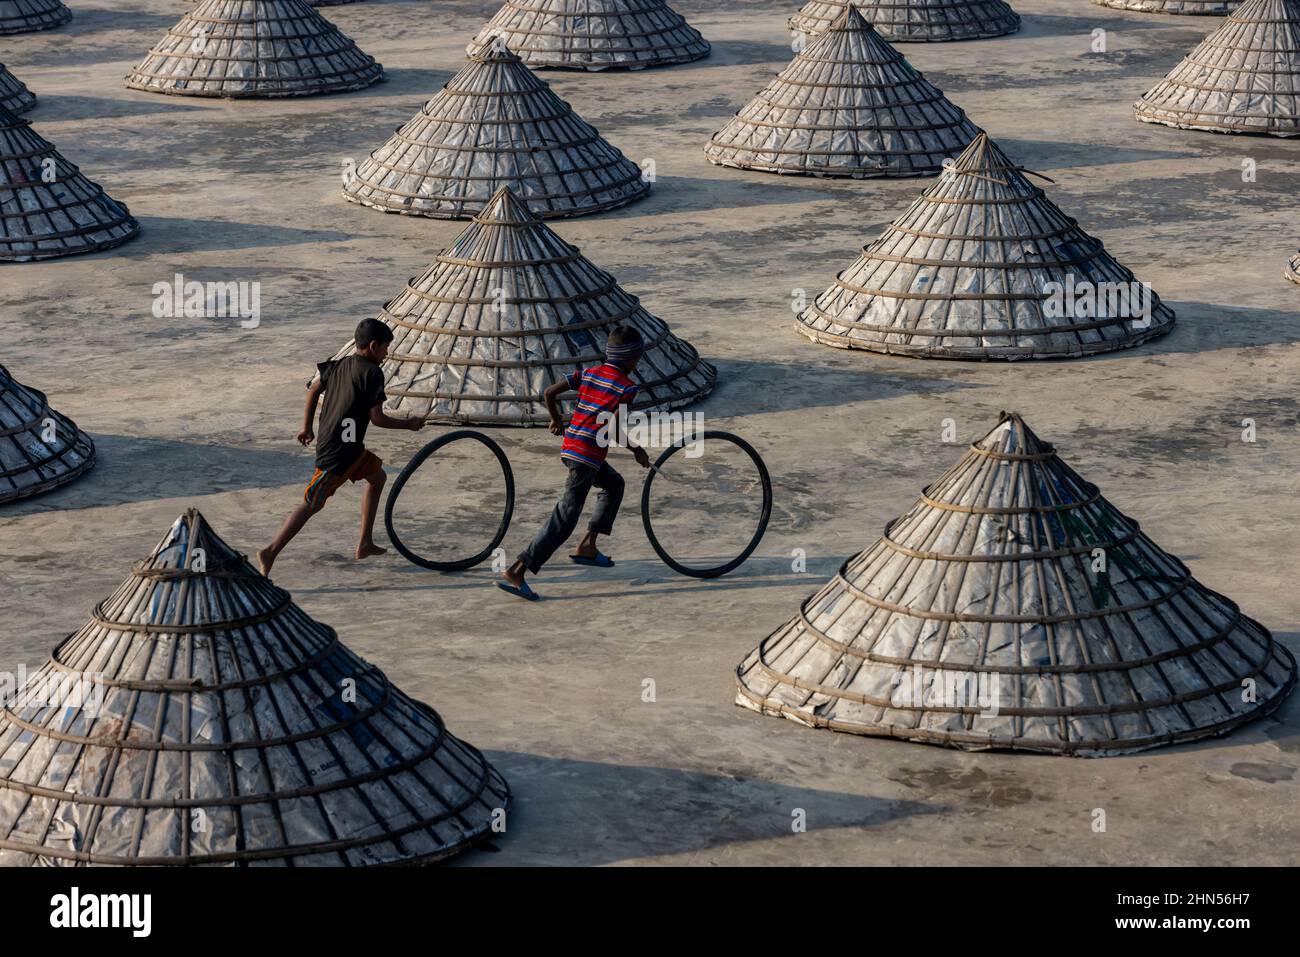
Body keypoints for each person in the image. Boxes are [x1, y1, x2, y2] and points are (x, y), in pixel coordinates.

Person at [259, 318, 424, 575]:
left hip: (348, 448)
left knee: (378, 477)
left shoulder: (339, 364)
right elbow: (377, 418)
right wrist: (409, 424)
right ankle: (270, 551)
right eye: (385, 348)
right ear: (373, 346)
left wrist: (307, 427)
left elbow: (313, 391)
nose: (387, 354)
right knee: (312, 503)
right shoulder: (372, 373)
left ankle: (365, 543)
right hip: (339, 454)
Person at [499, 326, 650, 601]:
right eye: (638, 358)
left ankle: (588, 546)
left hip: (571, 449)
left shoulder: (590, 372)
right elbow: (612, 427)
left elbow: (549, 392)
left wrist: (556, 419)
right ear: (632, 359)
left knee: (614, 484)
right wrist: (637, 450)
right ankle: (518, 569)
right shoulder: (627, 388)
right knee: (565, 517)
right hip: (586, 457)